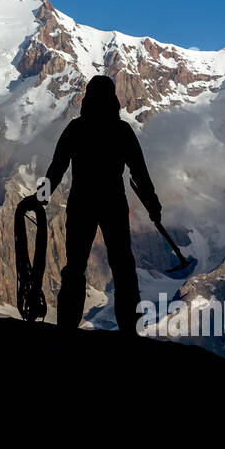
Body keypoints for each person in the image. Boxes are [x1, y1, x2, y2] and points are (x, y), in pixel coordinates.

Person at [33, 75, 161, 331]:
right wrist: (153, 206)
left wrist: (40, 198)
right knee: (123, 266)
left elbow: (56, 168)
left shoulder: (76, 128)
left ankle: (66, 327)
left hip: (81, 203)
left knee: (75, 268)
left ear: (87, 98)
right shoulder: (121, 130)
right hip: (113, 203)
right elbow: (139, 173)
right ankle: (130, 330)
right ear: (113, 99)